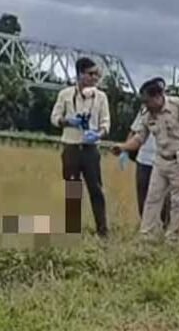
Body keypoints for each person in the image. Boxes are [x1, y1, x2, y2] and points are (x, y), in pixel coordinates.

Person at [113, 77, 179, 245]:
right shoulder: (147, 115)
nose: (146, 105)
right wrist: (124, 147)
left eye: (148, 101)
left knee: (177, 202)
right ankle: (147, 236)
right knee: (152, 199)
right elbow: (140, 138)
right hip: (160, 161)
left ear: (158, 96)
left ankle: (173, 239)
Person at [50, 57, 111, 238]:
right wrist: (68, 121)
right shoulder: (65, 94)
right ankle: (72, 229)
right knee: (73, 189)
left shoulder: (101, 97)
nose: (95, 78)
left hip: (91, 149)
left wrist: (98, 134)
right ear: (80, 75)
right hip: (71, 146)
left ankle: (102, 230)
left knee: (96, 190)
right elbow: (54, 118)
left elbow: (106, 123)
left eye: (97, 74)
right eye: (91, 74)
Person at [130, 111, 170, 228]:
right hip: (144, 159)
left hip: (163, 160)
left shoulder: (173, 110)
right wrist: (126, 151)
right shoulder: (144, 111)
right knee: (143, 197)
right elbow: (134, 131)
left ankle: (167, 228)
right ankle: (147, 227)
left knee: (164, 199)